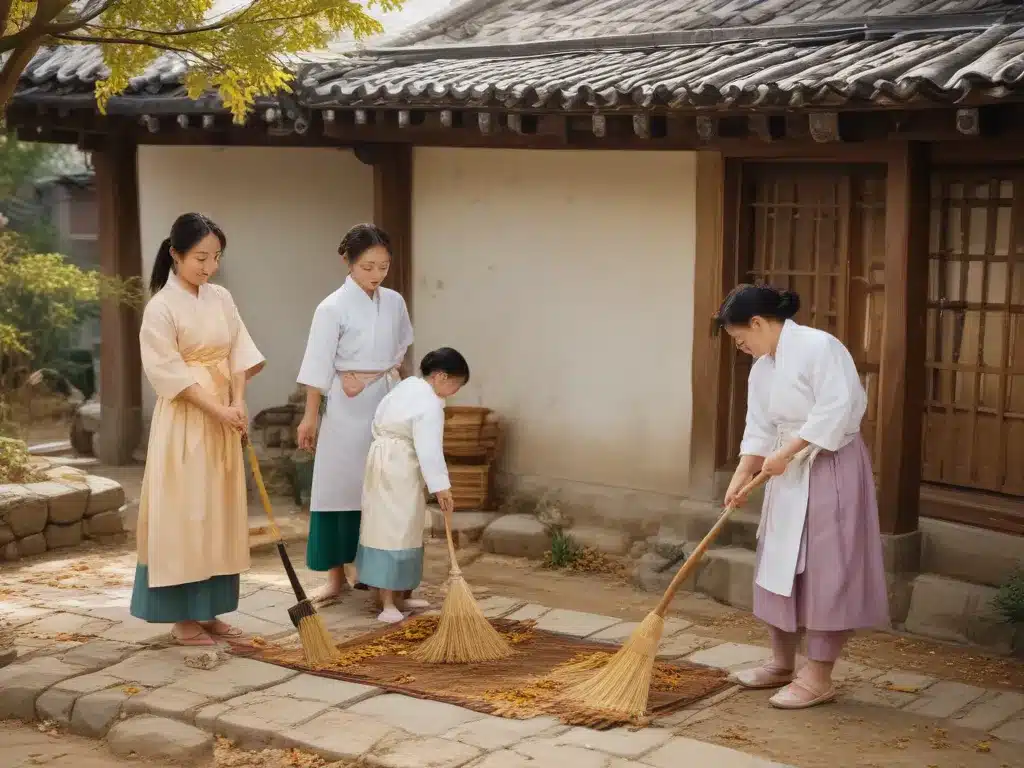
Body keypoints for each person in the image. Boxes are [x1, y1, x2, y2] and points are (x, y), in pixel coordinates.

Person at [716, 283, 888, 710]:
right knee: (778, 560)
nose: (742, 348)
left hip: (828, 464)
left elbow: (837, 408)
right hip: (784, 470)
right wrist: (743, 472)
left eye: (741, 339)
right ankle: (781, 662)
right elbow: (758, 424)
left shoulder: (820, 347)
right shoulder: (763, 366)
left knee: (827, 565)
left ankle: (819, 674)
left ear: (757, 323)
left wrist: (789, 452)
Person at [130, 213, 265, 646]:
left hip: (223, 414)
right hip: (187, 419)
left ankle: (210, 610)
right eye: (200, 258)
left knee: (218, 511)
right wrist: (217, 409)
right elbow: (168, 373)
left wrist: (238, 402)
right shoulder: (160, 308)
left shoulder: (221, 298)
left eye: (215, 258)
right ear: (175, 253)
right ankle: (181, 616)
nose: (208, 267)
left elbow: (240, 354)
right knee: (185, 512)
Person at [296, 223, 413, 603]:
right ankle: (335, 577)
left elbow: (402, 353)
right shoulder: (331, 308)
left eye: (383, 266)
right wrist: (310, 416)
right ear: (348, 262)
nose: (376, 275)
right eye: (367, 267)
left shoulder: (394, 302)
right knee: (338, 487)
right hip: (346, 404)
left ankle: (378, 573)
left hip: (385, 398)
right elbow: (317, 367)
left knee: (383, 486)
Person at [356, 348, 467, 623]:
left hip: (386, 461)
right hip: (398, 465)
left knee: (401, 526)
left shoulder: (407, 387)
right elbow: (429, 448)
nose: (454, 391)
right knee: (392, 529)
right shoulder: (428, 402)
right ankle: (386, 603)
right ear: (441, 377)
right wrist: (442, 487)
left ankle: (400, 597)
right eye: (455, 384)